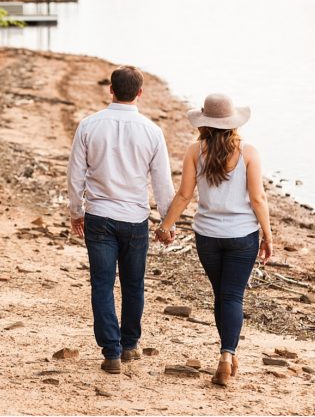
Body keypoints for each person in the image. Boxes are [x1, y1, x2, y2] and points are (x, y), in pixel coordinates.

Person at [156, 93, 273, 387]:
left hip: (207, 236)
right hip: (242, 236)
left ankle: (228, 357)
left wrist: (166, 226)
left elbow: (184, 195)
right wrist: (268, 235)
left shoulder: (196, 151)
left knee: (221, 295)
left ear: (204, 123)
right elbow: (258, 198)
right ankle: (226, 354)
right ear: (233, 122)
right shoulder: (249, 152)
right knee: (232, 295)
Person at [67, 66, 175, 374]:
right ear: (140, 93)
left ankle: (111, 352)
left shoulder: (89, 125)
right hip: (134, 218)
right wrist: (167, 224)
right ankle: (129, 345)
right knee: (133, 284)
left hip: (99, 216)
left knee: (102, 284)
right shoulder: (152, 131)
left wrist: (76, 211)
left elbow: (75, 175)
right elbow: (161, 183)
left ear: (111, 90)